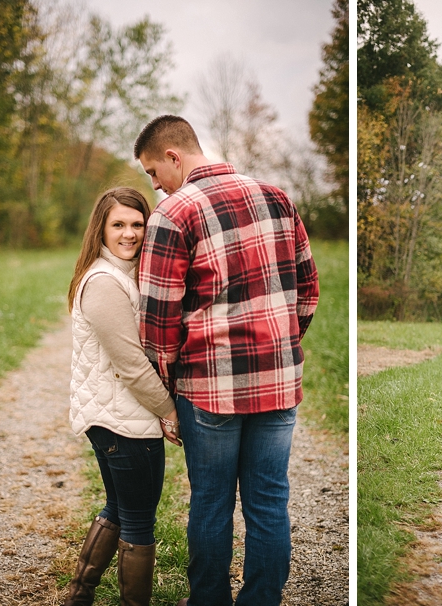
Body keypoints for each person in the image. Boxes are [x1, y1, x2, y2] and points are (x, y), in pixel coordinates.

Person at [134, 115, 320, 606]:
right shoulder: (277, 196)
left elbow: (157, 323)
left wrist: (169, 386)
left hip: (209, 390)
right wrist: (280, 345)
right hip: (278, 384)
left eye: (153, 172)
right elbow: (308, 292)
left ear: (174, 157)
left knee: (211, 503)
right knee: (269, 502)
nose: (154, 185)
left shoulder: (174, 214)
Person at [66, 187, 181, 606]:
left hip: (116, 417)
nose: (129, 233)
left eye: (137, 224)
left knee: (119, 506)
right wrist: (169, 411)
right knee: (138, 520)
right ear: (101, 228)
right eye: (119, 224)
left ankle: (80, 594)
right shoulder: (104, 283)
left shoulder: (121, 275)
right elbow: (131, 364)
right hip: (123, 420)